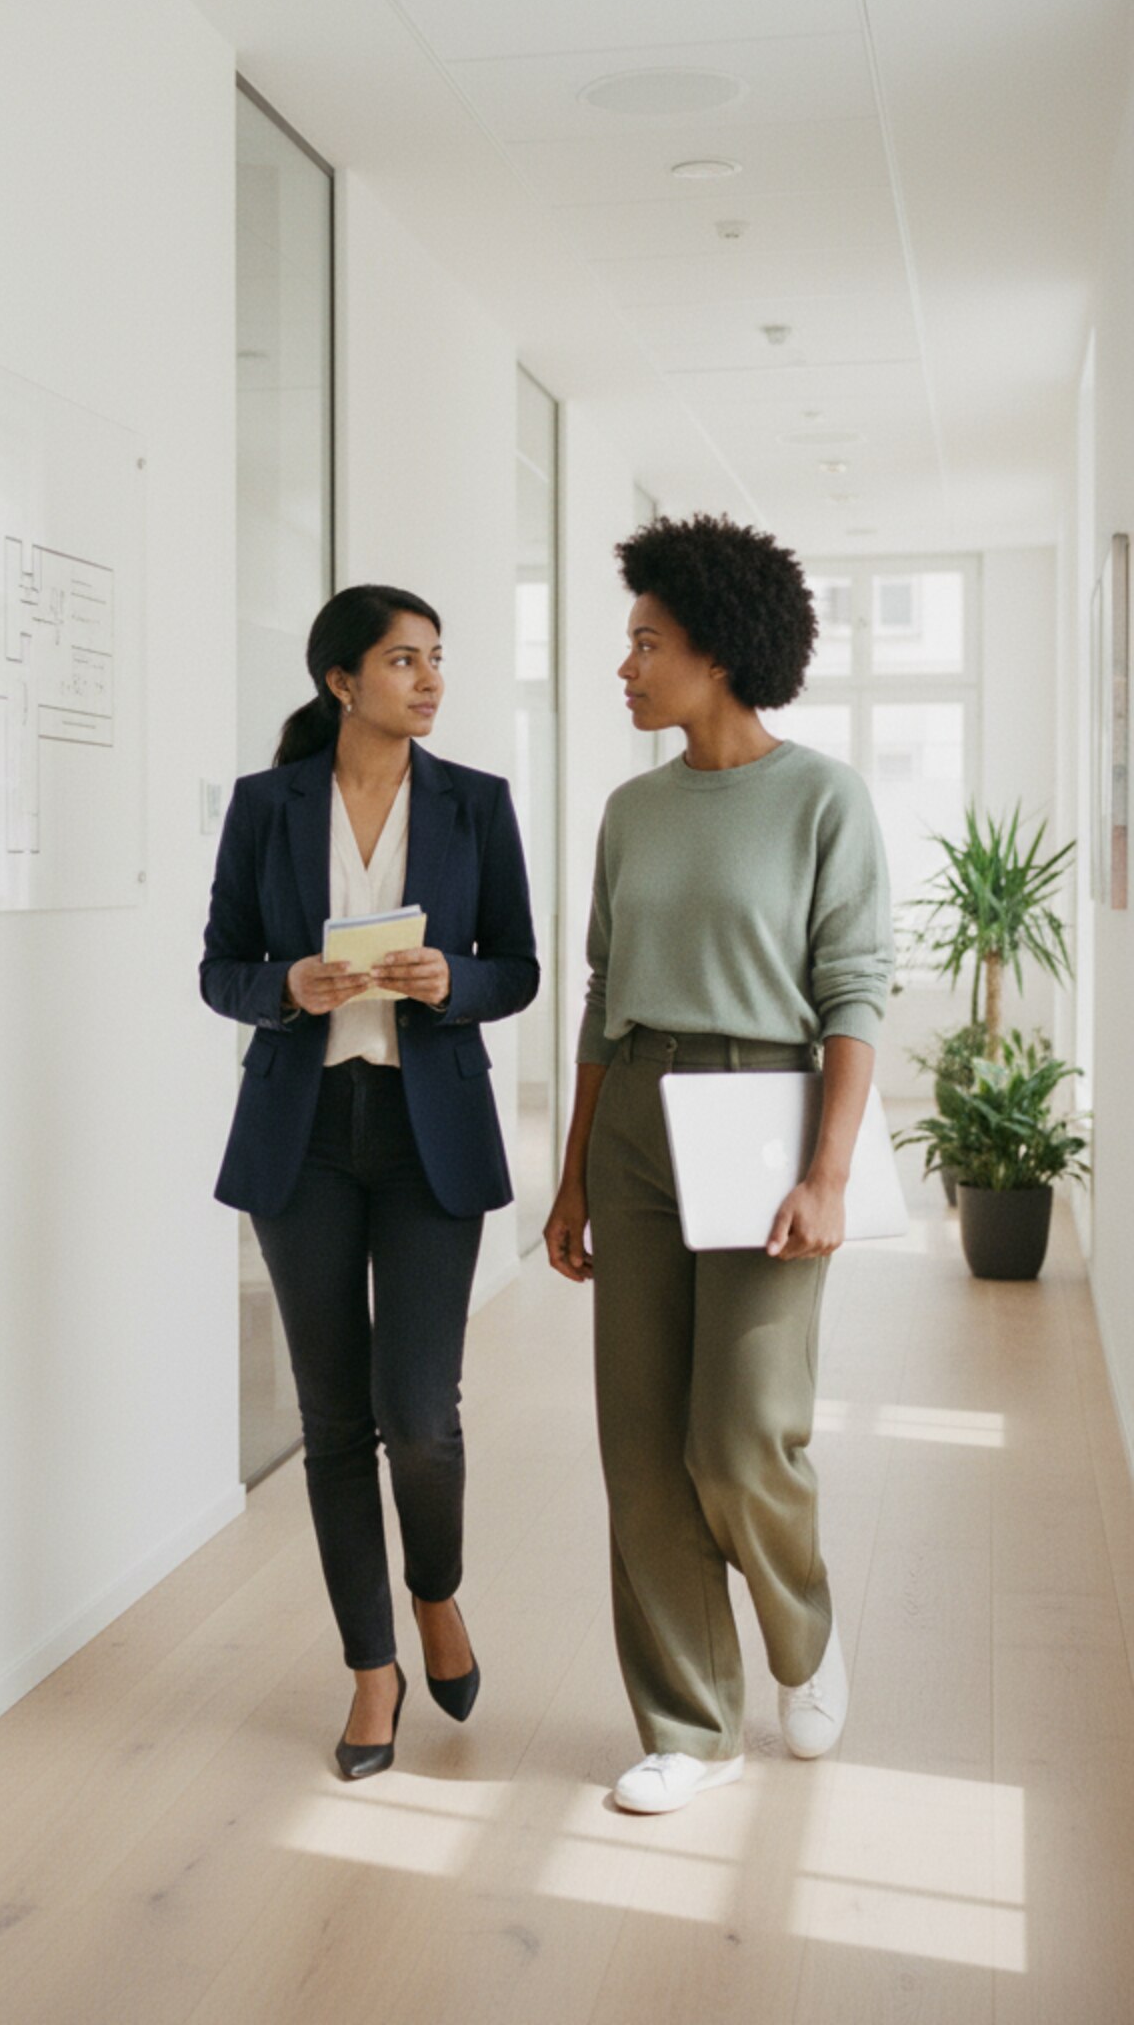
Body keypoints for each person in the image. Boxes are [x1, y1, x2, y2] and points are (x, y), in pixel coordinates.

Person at [543, 515, 891, 1816]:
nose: (625, 667)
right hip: (635, 1106)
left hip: (764, 1106)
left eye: (647, 643)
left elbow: (854, 992)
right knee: (641, 1446)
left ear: (719, 651)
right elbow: (597, 997)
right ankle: (688, 1729)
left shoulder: (822, 797)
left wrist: (832, 1170)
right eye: (628, 643)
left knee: (739, 1433)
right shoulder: (632, 811)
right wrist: (573, 1176)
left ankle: (802, 1635)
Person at [201, 585, 540, 1780]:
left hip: (424, 1131)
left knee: (419, 1414)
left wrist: (455, 979)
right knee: (332, 1421)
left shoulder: (475, 804)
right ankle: (369, 1669)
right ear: (341, 680)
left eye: (436, 659)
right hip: (302, 1135)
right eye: (405, 660)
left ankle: (435, 1589)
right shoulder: (265, 805)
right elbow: (218, 968)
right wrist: (283, 985)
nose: (430, 679)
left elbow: (520, 967)